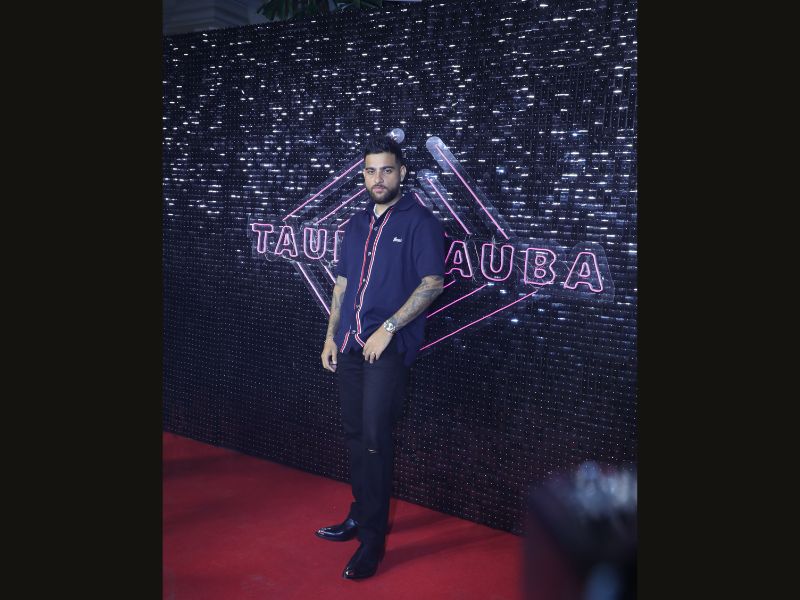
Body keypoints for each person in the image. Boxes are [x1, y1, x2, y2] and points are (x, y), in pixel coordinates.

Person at [318, 135, 445, 579]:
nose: (378, 179)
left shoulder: (420, 221)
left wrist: (388, 328)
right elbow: (342, 284)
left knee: (375, 437)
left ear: (401, 173)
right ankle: (359, 514)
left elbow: (432, 283)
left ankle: (372, 542)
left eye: (386, 170)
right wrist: (331, 337)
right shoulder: (355, 224)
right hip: (351, 344)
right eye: (371, 171)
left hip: (386, 349)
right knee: (356, 433)